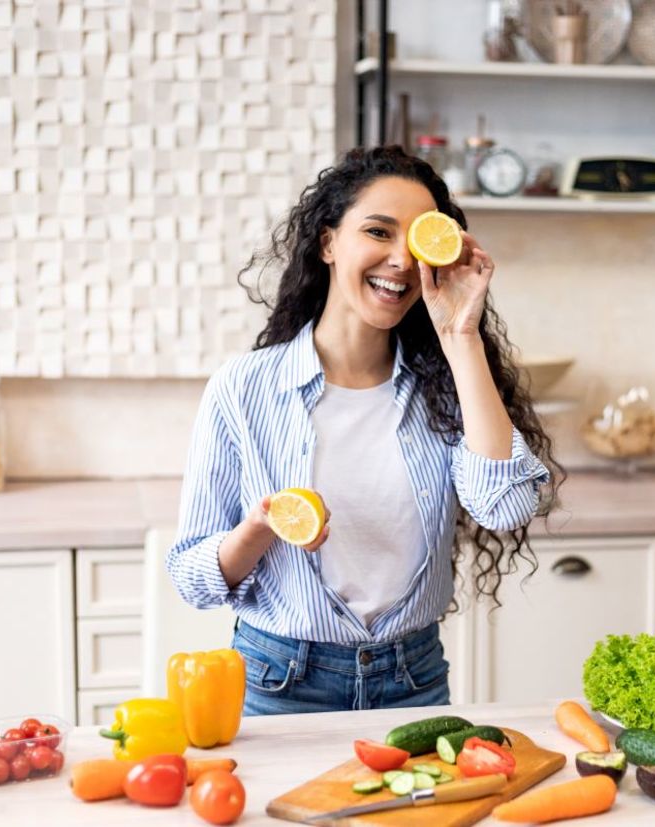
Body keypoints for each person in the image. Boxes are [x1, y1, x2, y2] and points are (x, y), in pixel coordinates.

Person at [167, 145, 563, 715]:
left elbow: (505, 507)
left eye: (418, 241)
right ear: (329, 243)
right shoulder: (245, 388)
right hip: (280, 682)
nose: (401, 260)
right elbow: (191, 577)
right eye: (379, 232)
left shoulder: (447, 385)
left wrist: (462, 338)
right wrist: (258, 530)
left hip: (415, 680)